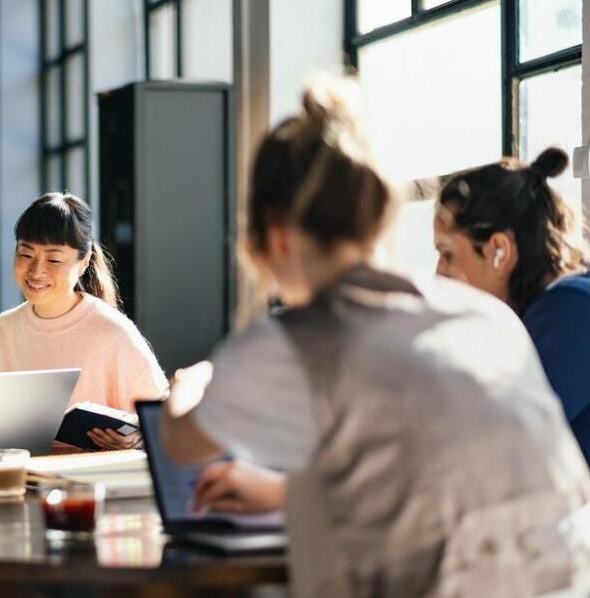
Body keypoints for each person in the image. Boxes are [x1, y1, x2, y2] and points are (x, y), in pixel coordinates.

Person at [160, 77, 590, 596]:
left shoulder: (296, 340)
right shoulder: (485, 317)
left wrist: (194, 380)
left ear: (275, 236)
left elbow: (181, 442)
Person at [0, 193, 168, 450]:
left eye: (54, 259)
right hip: (20, 478)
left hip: (92, 480)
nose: (36, 271)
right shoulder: (4, 328)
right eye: (25, 254)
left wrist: (136, 438)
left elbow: (163, 419)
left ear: (83, 262)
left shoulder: (113, 331)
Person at [433, 148, 590, 462]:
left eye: (448, 254)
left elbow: (492, 449)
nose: (438, 273)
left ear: (498, 251)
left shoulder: (569, 309)